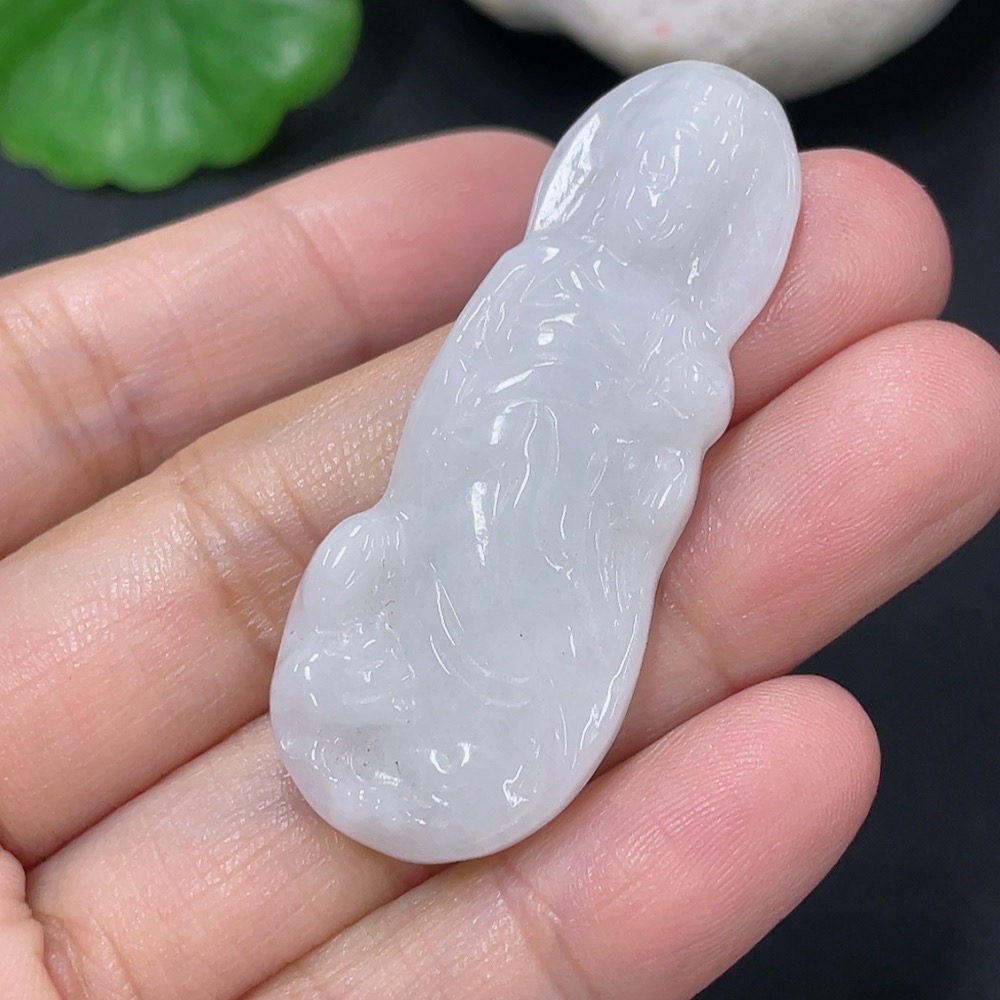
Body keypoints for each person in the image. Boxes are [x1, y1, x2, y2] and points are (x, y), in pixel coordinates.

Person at [0, 130, 996, 1000]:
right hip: (471, 503)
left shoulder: (683, 341)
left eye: (688, 195)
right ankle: (387, 701)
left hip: (560, 554)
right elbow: (467, 406)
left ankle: (434, 719)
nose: (659, 206)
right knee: (394, 572)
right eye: (651, 179)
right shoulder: (542, 279)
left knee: (518, 636)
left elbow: (648, 470)